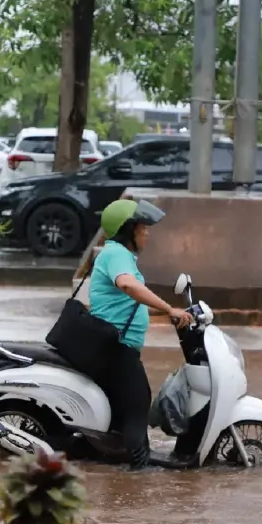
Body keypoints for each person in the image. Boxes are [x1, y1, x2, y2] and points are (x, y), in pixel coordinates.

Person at [89, 199, 194, 469]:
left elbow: (126, 302)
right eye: (142, 228)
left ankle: (116, 459)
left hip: (117, 345)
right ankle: (137, 471)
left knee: (124, 408)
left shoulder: (117, 254)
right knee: (138, 405)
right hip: (116, 347)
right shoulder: (117, 255)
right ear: (128, 231)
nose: (147, 233)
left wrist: (166, 313)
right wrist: (169, 308)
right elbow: (127, 285)